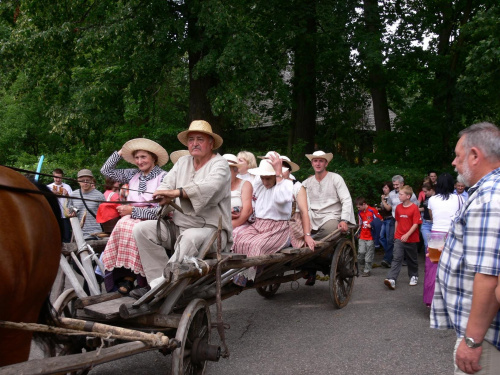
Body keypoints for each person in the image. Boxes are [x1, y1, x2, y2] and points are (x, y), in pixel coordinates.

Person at [131, 120, 232, 297]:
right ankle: (158, 282)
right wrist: (161, 195)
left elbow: (210, 187)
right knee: (141, 229)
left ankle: (164, 286)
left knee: (189, 238)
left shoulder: (220, 164)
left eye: (200, 139)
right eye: (191, 139)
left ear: (211, 143)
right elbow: (166, 183)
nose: (195, 143)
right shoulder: (183, 162)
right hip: (178, 228)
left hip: (211, 231)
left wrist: (175, 193)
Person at [431, 122, 500, 374]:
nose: (453, 162)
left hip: (487, 336)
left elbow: (489, 276)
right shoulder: (488, 192)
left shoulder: (489, 198)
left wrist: (472, 341)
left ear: (474, 156)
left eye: (458, 155)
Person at [99, 139, 168, 294]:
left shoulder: (164, 177)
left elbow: (162, 212)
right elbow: (106, 170)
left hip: (156, 221)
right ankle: (125, 277)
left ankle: (142, 281)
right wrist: (121, 153)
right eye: (136, 157)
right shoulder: (132, 174)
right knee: (122, 225)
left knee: (133, 227)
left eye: (143, 157)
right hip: (131, 217)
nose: (139, 161)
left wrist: (133, 212)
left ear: (154, 158)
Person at [232, 152, 293, 286]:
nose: (265, 182)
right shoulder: (260, 184)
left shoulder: (286, 185)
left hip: (278, 229)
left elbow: (280, 198)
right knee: (237, 236)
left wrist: (278, 172)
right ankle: (233, 272)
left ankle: (249, 275)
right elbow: (253, 198)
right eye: (263, 178)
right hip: (258, 225)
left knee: (256, 245)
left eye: (268, 179)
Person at [301, 150, 356, 286]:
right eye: (315, 160)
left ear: (326, 163)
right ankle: (308, 252)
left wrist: (344, 219)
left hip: (332, 215)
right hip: (313, 216)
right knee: (295, 228)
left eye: (321, 160)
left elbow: (346, 200)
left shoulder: (335, 178)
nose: (318, 163)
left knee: (330, 230)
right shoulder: (306, 183)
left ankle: (307, 248)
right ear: (312, 163)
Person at [423, 173, 463, 307]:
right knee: (453, 268)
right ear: (453, 185)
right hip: (453, 235)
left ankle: (431, 301)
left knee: (433, 268)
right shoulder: (459, 199)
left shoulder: (432, 200)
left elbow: (432, 218)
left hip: (436, 235)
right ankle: (452, 302)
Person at [384, 185, 422, 290]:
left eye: (401, 194)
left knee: (412, 259)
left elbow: (416, 224)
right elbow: (397, 221)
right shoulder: (398, 208)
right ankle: (392, 279)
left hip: (412, 238)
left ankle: (414, 276)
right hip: (399, 238)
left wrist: (407, 235)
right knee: (396, 258)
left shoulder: (414, 207)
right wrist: (396, 235)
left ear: (408, 196)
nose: (399, 196)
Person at [380, 175, 419, 268]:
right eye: (394, 185)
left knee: (406, 239)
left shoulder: (411, 194)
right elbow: (389, 207)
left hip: (407, 220)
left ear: (402, 183)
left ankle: (405, 259)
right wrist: (383, 201)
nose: (395, 187)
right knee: (391, 239)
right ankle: (388, 260)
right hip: (395, 219)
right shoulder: (392, 194)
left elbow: (415, 208)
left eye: (397, 184)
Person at [281, 155, 315, 251]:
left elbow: (304, 212)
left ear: (289, 171)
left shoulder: (297, 186)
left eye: (284, 168)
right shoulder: (271, 184)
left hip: (293, 221)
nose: (280, 171)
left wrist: (307, 235)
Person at [67, 169, 105, 240]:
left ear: (91, 180)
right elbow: (68, 211)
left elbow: (104, 215)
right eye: (82, 180)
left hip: (96, 234)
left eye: (87, 180)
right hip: (79, 234)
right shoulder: (73, 195)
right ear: (78, 181)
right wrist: (71, 215)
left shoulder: (99, 196)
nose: (85, 183)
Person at [222, 154, 253, 238]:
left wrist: (230, 226)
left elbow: (248, 211)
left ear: (236, 171)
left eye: (228, 170)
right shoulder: (216, 185)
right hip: (219, 223)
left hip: (239, 224)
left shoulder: (245, 184)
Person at [355, 197, 382, 277]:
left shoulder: (372, 210)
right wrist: (358, 232)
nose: (358, 209)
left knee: (368, 255)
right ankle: (363, 267)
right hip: (362, 235)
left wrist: (372, 225)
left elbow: (380, 220)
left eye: (359, 207)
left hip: (371, 237)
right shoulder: (360, 212)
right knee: (360, 253)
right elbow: (360, 223)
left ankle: (367, 270)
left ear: (364, 204)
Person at [47, 168, 73, 243]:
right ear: (53, 177)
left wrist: (67, 194)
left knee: (66, 236)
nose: (58, 180)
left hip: (65, 215)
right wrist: (51, 194)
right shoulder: (48, 187)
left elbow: (72, 200)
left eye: (59, 177)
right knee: (55, 235)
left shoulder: (67, 187)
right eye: (56, 177)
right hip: (53, 215)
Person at [419, 182, 435, 251]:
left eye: (425, 191)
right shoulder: (427, 196)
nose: (424, 193)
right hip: (425, 223)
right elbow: (426, 208)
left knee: (434, 244)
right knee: (427, 244)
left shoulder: (436, 198)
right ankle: (428, 261)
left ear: (431, 190)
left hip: (434, 223)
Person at [378, 181, 393, 253]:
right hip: (384, 219)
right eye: (383, 187)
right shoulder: (383, 197)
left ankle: (389, 254)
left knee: (388, 238)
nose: (384, 189)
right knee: (381, 237)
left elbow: (388, 208)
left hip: (390, 219)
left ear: (389, 189)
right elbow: (383, 208)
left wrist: (383, 201)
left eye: (386, 188)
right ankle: (388, 252)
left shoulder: (390, 197)